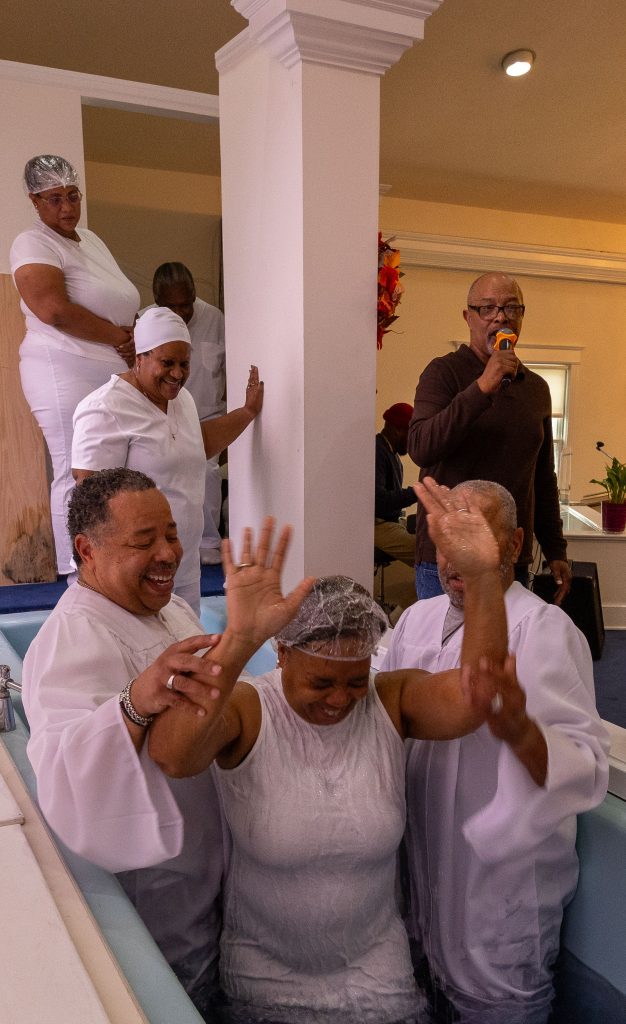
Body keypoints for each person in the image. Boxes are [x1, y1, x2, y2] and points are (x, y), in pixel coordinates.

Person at [149, 478, 515, 1024]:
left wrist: (484, 577)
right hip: (263, 982)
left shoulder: (390, 701)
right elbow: (173, 756)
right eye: (320, 683)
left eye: (353, 681)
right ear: (282, 653)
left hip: (379, 979)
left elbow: (474, 696)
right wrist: (239, 640)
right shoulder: (250, 709)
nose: (339, 699)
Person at [382, 480, 609, 1024]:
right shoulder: (416, 620)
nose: (455, 557)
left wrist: (519, 729)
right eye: (446, 538)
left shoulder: (545, 631)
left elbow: (583, 769)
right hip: (421, 883)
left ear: (514, 543)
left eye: (474, 536)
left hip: (498, 902)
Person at [21, 468, 237, 1018]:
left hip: (210, 867)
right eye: (144, 542)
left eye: (171, 533)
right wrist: (134, 702)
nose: (168, 554)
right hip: (156, 894)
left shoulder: (171, 610)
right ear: (86, 550)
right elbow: (64, 771)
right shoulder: (72, 637)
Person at [71, 306, 263, 614]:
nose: (177, 374)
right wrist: (108, 574)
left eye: (184, 364)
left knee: (187, 640)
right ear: (140, 357)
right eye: (167, 363)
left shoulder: (181, 399)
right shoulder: (106, 408)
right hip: (132, 574)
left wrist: (247, 412)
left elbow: (197, 445)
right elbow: (89, 497)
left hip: (183, 566)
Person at [10, 154, 139, 576]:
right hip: (62, 366)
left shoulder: (90, 239)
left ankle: (112, 566)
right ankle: (75, 573)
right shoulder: (32, 243)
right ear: (34, 201)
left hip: (110, 367)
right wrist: (121, 338)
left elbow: (117, 299)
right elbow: (53, 310)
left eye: (73, 195)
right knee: (74, 467)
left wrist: (134, 336)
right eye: (54, 199)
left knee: (113, 471)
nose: (66, 207)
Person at [408, 271, 571, 603]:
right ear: (468, 317)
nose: (500, 317)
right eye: (487, 308)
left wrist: (555, 549)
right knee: (445, 640)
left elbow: (543, 478)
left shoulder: (537, 389)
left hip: (509, 557)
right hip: (446, 558)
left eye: (511, 308)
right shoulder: (443, 373)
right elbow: (422, 447)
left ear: (521, 317)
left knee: (506, 639)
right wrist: (482, 387)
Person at [146, 262, 226, 565]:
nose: (181, 313)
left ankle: (208, 541)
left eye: (187, 304)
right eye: (172, 307)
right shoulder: (146, 321)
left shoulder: (215, 319)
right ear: (157, 302)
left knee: (207, 471)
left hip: (206, 415)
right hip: (160, 415)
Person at [375, 402, 417, 566]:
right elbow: (379, 501)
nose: (412, 442)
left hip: (390, 521)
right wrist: (417, 492)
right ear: (396, 429)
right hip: (376, 524)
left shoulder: (392, 454)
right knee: (424, 552)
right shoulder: (377, 451)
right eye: (411, 434)